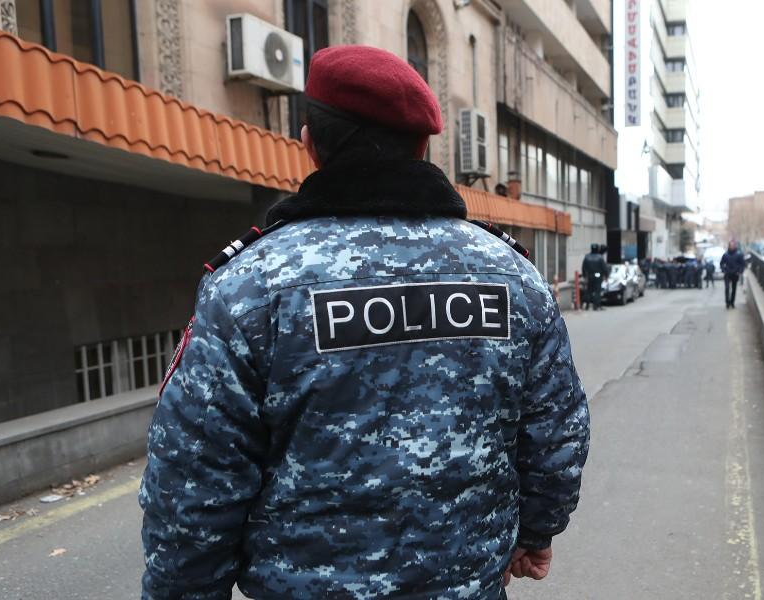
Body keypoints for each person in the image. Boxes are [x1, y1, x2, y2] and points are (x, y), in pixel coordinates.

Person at [140, 45, 590, 600]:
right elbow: (557, 432)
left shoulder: (249, 287)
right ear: (423, 146)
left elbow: (192, 483)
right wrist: (536, 530)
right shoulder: (512, 276)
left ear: (309, 144)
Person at [581, 243, 609, 310]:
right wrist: (606, 275)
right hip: (598, 276)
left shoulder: (587, 257)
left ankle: (587, 305)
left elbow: (583, 267)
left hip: (590, 276)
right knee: (597, 291)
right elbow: (604, 268)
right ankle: (596, 305)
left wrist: (584, 276)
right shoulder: (600, 257)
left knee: (589, 291)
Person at [720, 240, 746, 309]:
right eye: (730, 245)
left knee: (734, 289)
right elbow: (721, 263)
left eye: (733, 245)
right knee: (727, 288)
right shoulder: (725, 255)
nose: (732, 247)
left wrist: (740, 272)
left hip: (735, 274)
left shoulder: (739, 254)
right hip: (727, 274)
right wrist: (723, 270)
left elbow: (743, 264)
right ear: (729, 246)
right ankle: (727, 303)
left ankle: (732, 302)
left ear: (735, 246)